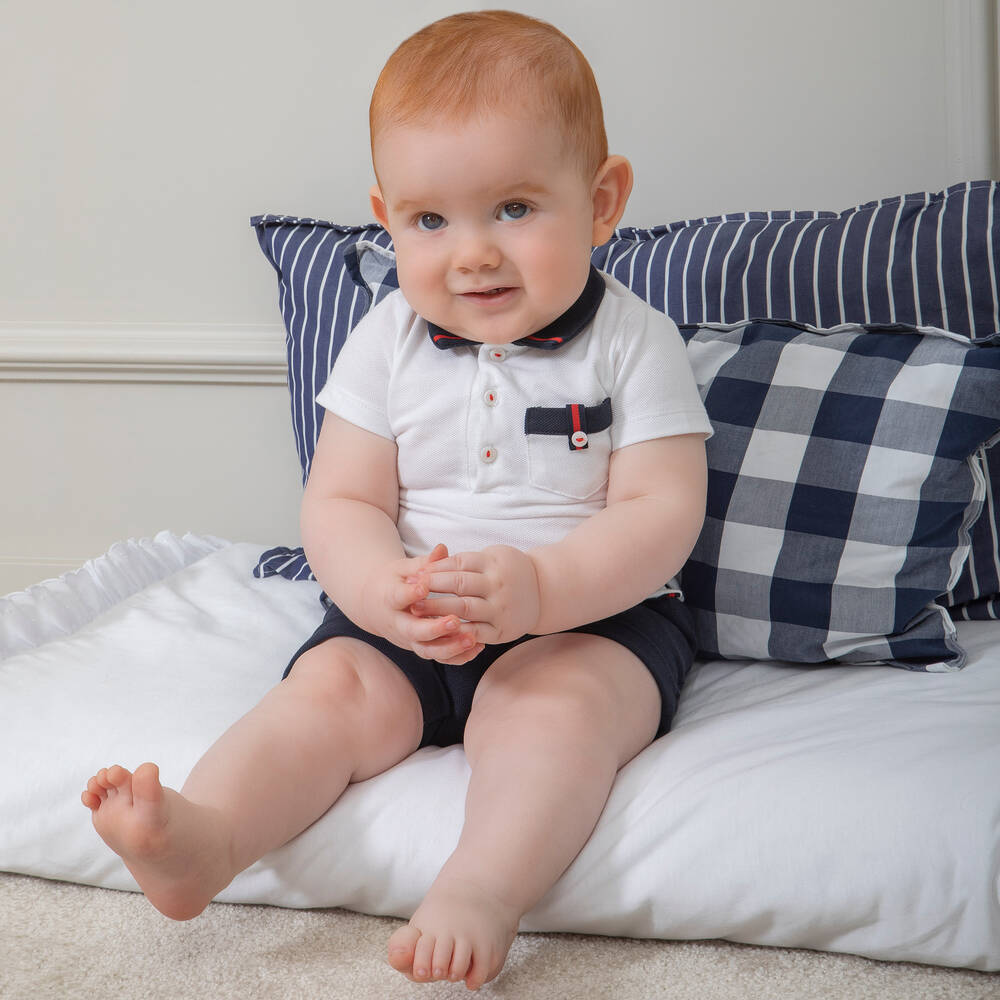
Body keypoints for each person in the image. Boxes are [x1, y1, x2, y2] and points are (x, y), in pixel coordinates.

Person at [81, 10, 711, 991]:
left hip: (589, 621)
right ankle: (208, 839)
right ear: (386, 219)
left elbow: (659, 514)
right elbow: (342, 499)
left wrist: (542, 589)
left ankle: (483, 887)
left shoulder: (633, 340)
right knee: (324, 694)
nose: (472, 254)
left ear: (601, 202)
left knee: (554, 715)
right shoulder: (387, 340)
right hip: (408, 616)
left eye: (513, 208)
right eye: (429, 222)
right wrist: (380, 591)